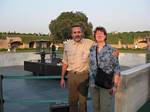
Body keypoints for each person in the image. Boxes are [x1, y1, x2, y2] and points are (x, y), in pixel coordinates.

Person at [60, 24, 94, 112]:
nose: (77, 34)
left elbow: (101, 47)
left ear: (82, 33)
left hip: (84, 76)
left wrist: (113, 51)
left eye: (79, 32)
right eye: (75, 32)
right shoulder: (67, 45)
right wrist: (62, 78)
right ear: (72, 34)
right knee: (72, 101)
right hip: (71, 76)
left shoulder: (89, 43)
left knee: (83, 102)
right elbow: (65, 62)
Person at [89, 26, 120, 112]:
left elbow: (117, 68)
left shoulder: (112, 50)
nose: (99, 35)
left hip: (106, 83)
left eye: (101, 33)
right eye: (97, 33)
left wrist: (115, 86)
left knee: (105, 108)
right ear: (94, 36)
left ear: (105, 36)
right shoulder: (91, 49)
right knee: (95, 107)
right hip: (93, 83)